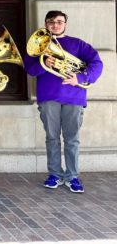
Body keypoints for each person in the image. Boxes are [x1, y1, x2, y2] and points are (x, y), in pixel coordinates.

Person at [24, 10, 103, 193]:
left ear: (65, 24)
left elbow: (97, 64)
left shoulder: (78, 44)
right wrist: (45, 65)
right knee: (52, 138)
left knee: (72, 139)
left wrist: (81, 78)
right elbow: (31, 70)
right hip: (48, 97)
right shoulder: (37, 46)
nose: (55, 25)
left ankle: (72, 176)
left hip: (74, 97)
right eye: (51, 21)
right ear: (46, 24)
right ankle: (55, 175)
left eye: (59, 21)